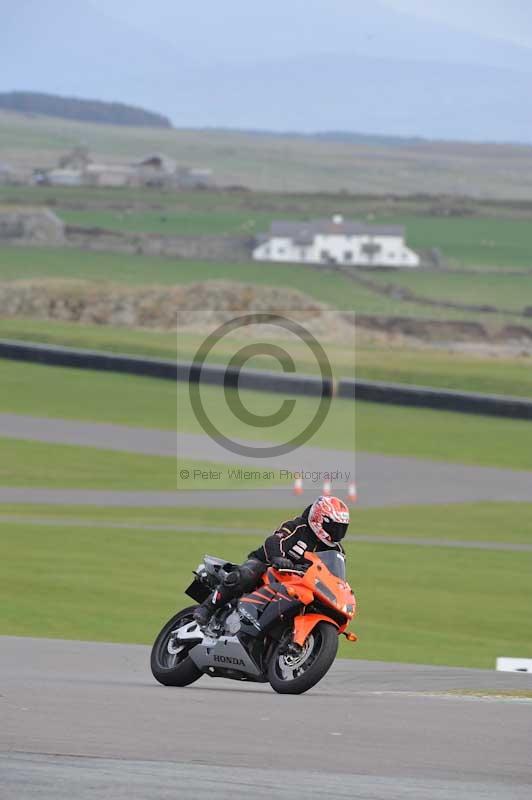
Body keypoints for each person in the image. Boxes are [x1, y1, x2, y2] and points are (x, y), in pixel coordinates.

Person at [193, 495, 350, 627]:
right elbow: (274, 540)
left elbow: (335, 577)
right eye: (334, 527)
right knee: (247, 574)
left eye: (341, 528)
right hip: (269, 567)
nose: (337, 533)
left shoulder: (337, 551)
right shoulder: (298, 527)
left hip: (299, 584)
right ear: (319, 519)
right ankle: (207, 608)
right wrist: (278, 558)